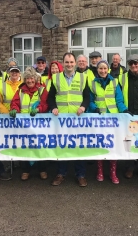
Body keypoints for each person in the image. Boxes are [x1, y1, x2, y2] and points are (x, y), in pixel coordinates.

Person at [48, 52, 90, 187]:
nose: (69, 65)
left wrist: (83, 107)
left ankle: (81, 175)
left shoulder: (83, 77)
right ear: (63, 63)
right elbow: (50, 97)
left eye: (72, 62)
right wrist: (53, 107)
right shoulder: (56, 78)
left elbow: (87, 97)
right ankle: (61, 173)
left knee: (79, 146)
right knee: (62, 146)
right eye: (67, 62)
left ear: (75, 63)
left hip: (78, 119)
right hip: (61, 119)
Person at [89, 60, 128, 184]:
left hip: (113, 119)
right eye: (100, 68)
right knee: (100, 144)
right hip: (99, 119)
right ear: (97, 70)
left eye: (105, 68)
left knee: (113, 145)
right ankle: (100, 171)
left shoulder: (115, 82)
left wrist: (124, 110)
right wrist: (94, 108)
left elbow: (119, 100)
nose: (103, 71)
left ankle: (112, 172)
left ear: (108, 69)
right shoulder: (92, 84)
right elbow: (90, 100)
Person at [9, 67, 49, 181]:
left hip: (40, 125)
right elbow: (15, 103)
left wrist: (39, 109)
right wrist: (14, 110)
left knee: (40, 146)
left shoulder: (42, 90)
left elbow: (46, 104)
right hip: (24, 125)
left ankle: (42, 170)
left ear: (35, 78)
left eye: (31, 78)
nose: (30, 81)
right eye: (27, 79)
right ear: (24, 79)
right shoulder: (20, 90)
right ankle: (25, 170)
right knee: (24, 147)